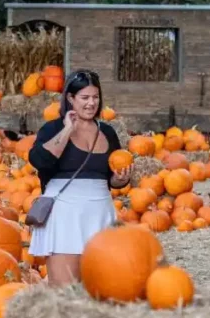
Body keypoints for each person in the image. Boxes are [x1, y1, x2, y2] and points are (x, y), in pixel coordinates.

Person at [28, 70, 132, 286]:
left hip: (101, 212)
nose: (91, 103)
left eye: (95, 97)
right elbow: (40, 161)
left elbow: (108, 178)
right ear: (70, 98)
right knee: (65, 291)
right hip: (65, 215)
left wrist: (120, 180)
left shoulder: (108, 132)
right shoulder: (52, 129)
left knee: (101, 289)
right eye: (84, 98)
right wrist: (68, 129)